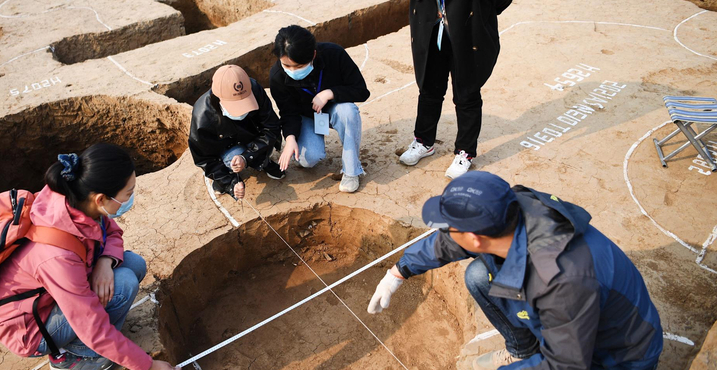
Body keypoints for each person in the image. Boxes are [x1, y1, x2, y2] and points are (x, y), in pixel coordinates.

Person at [368, 171, 663, 369]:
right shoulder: (512, 210)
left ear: (475, 237)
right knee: (479, 277)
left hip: (618, 356)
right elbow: (449, 243)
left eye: (448, 226)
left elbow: (566, 365)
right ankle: (524, 350)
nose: (444, 232)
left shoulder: (561, 281)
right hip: (572, 326)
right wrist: (398, 272)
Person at [0, 144, 177, 370]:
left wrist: (105, 262)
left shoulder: (77, 202)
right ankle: (74, 355)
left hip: (54, 296)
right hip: (32, 329)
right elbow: (90, 325)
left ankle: (89, 341)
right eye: (128, 193)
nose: (131, 197)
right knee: (124, 284)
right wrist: (148, 366)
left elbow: (112, 232)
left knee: (133, 265)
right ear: (101, 199)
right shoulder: (57, 256)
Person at [398, 0, 512, 178]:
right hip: (431, 27)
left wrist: (480, 10)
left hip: (468, 31)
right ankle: (423, 142)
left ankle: (465, 151)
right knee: (429, 89)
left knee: (467, 93)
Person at [269, 25, 370, 193]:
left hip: (335, 108)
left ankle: (351, 171)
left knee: (349, 112)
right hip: (307, 116)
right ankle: (310, 141)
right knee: (308, 160)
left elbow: (361, 91)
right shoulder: (277, 76)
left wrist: (330, 93)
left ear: (313, 55)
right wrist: (290, 138)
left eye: (299, 66)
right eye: (287, 65)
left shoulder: (334, 53)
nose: (293, 71)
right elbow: (288, 112)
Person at [189, 64, 284, 200]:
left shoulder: (254, 89)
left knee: (257, 148)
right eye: (235, 106)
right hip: (227, 147)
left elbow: (271, 127)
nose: (243, 112)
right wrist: (229, 182)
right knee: (232, 157)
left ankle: (263, 161)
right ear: (218, 97)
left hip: (253, 138)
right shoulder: (203, 116)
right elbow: (203, 158)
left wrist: (247, 156)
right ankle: (223, 177)